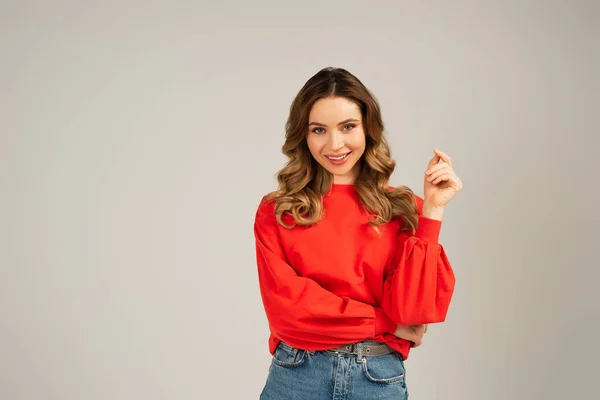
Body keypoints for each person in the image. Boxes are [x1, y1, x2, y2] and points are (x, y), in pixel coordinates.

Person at [253, 67, 462, 400]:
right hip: (297, 377)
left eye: (348, 127)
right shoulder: (280, 211)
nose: (334, 144)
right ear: (303, 136)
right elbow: (290, 311)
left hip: (376, 379)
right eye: (319, 129)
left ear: (369, 129)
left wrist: (433, 211)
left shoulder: (404, 208)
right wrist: (384, 323)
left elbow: (415, 312)